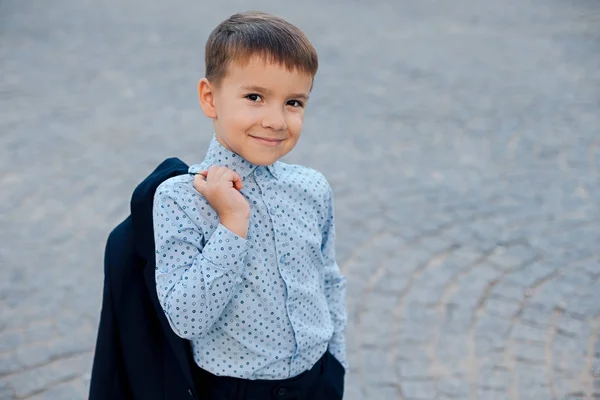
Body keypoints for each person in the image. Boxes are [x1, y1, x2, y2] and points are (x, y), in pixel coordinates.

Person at [152, 11, 347, 400]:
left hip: (318, 378)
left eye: (293, 102)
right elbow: (186, 319)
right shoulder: (180, 198)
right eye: (254, 97)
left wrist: (336, 360)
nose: (276, 120)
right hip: (236, 389)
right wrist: (232, 222)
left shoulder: (312, 187)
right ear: (210, 97)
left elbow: (328, 277)